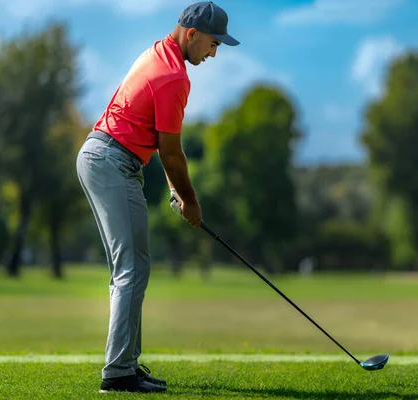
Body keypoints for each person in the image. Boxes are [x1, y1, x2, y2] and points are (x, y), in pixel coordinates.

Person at [76, 1, 239, 394]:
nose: (214, 53)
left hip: (109, 159)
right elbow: (171, 151)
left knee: (135, 265)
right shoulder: (173, 77)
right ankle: (118, 373)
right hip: (110, 162)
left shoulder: (157, 52)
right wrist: (191, 201)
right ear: (192, 34)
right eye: (213, 44)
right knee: (130, 267)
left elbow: (155, 136)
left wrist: (172, 189)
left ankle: (127, 363)